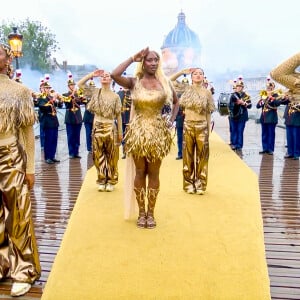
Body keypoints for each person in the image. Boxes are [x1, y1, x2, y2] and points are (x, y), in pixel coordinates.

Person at [111, 47, 179, 228]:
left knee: (154, 173)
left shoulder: (164, 82)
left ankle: (151, 213)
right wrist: (133, 57)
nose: (153, 63)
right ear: (143, 62)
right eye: (149, 60)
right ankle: (141, 213)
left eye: (156, 60)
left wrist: (171, 120)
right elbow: (115, 74)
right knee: (140, 172)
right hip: (138, 133)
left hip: (158, 134)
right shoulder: (135, 82)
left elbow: (176, 102)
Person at [0, 43, 41, 297]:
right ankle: (3, 264)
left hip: (10, 156)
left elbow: (27, 132)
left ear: (8, 59)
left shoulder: (20, 91)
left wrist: (30, 168)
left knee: (18, 214)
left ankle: (24, 270)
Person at [78, 70, 122, 192]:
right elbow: (80, 84)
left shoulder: (116, 96)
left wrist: (120, 132)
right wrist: (91, 75)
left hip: (110, 127)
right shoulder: (95, 92)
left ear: (111, 79)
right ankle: (102, 179)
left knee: (112, 156)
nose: (104, 77)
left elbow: (118, 115)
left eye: (107, 76)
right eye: (102, 76)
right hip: (97, 126)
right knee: (98, 155)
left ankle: (112, 180)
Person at [179, 68, 215, 195]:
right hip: (188, 125)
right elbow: (170, 81)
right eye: (195, 74)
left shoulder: (207, 93)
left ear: (204, 76)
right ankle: (188, 183)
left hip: (202, 126)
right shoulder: (186, 89)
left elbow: (209, 112)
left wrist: (208, 129)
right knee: (187, 157)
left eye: (200, 73)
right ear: (191, 76)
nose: (198, 75)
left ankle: (200, 184)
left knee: (202, 157)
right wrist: (181, 72)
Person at [270, 52, 300, 160]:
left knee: (296, 135)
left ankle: (296, 153)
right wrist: (285, 98)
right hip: (290, 114)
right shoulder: (292, 89)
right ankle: (290, 152)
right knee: (290, 135)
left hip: (297, 115)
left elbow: (276, 74)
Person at [37, 82, 62, 164]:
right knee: (48, 139)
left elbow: (59, 105)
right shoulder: (41, 97)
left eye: (49, 88)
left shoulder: (50, 97)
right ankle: (47, 157)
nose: (48, 89)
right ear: (43, 89)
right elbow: (43, 107)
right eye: (46, 88)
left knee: (54, 139)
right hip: (47, 120)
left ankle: (52, 156)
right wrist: (53, 100)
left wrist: (59, 100)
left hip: (54, 120)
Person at [256, 80, 282, 155]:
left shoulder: (276, 95)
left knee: (271, 134)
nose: (268, 90)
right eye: (268, 88)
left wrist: (271, 98)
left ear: (273, 88)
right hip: (264, 117)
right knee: (264, 134)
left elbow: (277, 104)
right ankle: (265, 148)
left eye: (270, 88)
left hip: (271, 118)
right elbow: (258, 106)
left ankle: (270, 149)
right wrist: (263, 100)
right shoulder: (264, 95)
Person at [169, 70, 190, 160]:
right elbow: (170, 80)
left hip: (190, 117)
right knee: (180, 136)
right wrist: (181, 72)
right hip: (180, 116)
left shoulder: (190, 92)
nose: (185, 85)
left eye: (186, 84)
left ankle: (188, 154)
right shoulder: (177, 92)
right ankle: (181, 153)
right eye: (183, 84)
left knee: (189, 137)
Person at [62, 75, 84, 159]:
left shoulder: (78, 94)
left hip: (78, 118)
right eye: (71, 85)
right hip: (70, 117)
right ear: (68, 86)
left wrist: (78, 94)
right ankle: (71, 152)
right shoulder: (65, 94)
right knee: (70, 136)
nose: (73, 86)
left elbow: (82, 102)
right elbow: (67, 103)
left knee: (77, 136)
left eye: (74, 85)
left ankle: (76, 152)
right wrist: (72, 94)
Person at [228, 80, 252, 150]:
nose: (238, 88)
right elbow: (229, 105)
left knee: (240, 130)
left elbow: (250, 106)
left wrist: (243, 103)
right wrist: (236, 103)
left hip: (242, 116)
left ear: (242, 87)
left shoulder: (246, 96)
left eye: (240, 86)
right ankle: (234, 144)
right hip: (233, 115)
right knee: (234, 130)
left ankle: (239, 146)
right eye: (237, 86)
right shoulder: (233, 95)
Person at [117, 87, 132, 159]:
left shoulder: (132, 93)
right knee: (123, 135)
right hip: (121, 117)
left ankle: (130, 150)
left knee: (129, 135)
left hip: (130, 117)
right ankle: (124, 152)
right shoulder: (119, 93)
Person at [82, 79, 95, 152]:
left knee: (94, 133)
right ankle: (89, 148)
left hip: (94, 117)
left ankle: (94, 145)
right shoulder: (86, 96)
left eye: (93, 87)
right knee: (88, 133)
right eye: (91, 87)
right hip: (87, 118)